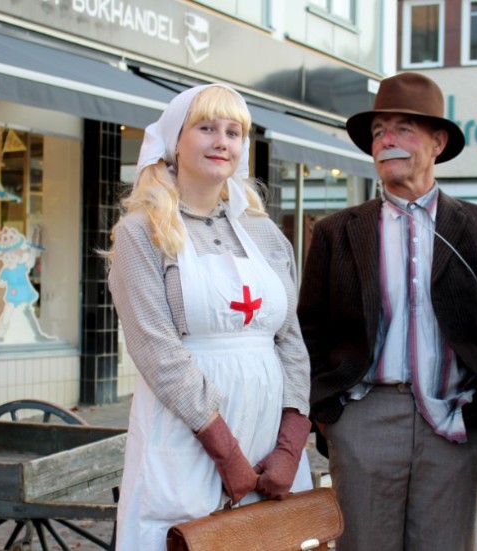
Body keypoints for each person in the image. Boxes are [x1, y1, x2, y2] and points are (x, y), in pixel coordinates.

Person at [298, 72, 477, 551]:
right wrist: (329, 415)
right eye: (378, 132)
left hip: (456, 421)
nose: (387, 140)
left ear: (437, 143)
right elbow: (309, 329)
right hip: (364, 417)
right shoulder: (336, 231)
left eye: (402, 129)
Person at [107, 84, 313, 550]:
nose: (222, 141)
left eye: (234, 131)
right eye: (206, 128)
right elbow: (157, 350)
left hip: (268, 439)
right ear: (174, 141)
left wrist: (288, 447)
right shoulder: (141, 234)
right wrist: (227, 453)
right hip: (189, 434)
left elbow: (292, 342)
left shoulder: (264, 233)